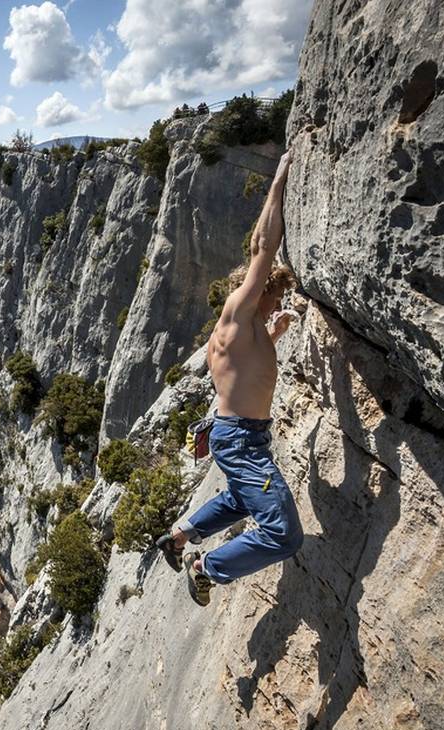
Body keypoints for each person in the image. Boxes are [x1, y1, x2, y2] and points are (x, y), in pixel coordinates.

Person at [155, 152, 303, 606]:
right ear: (261, 290)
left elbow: (246, 370)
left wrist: (275, 332)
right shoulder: (239, 309)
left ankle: (179, 537)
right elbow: (262, 246)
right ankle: (206, 567)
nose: (278, 302)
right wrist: (279, 180)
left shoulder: (246, 330)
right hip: (240, 437)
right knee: (283, 533)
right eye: (276, 294)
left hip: (238, 433)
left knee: (243, 497)